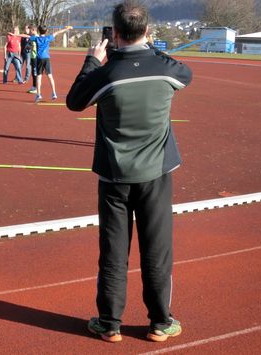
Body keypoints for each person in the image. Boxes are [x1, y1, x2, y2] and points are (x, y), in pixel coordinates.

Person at [66, 0, 192, 344]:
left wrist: (94, 58)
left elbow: (74, 100)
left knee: (113, 250)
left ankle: (109, 323)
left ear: (115, 33)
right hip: (155, 173)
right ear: (147, 32)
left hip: (114, 176)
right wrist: (143, 49)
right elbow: (184, 72)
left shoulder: (106, 75)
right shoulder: (167, 69)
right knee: (157, 249)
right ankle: (160, 322)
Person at [15, 25, 72, 102]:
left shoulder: (36, 38)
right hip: (46, 59)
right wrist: (66, 28)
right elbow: (57, 32)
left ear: (38, 31)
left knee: (39, 77)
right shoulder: (48, 38)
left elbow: (25, 36)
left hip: (39, 59)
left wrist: (16, 34)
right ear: (46, 31)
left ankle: (38, 95)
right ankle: (54, 93)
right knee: (50, 76)